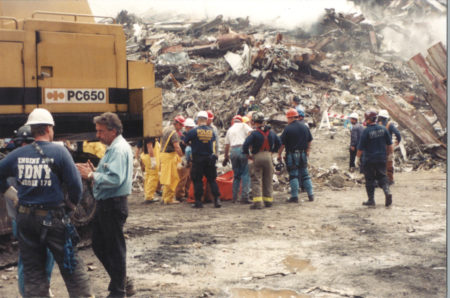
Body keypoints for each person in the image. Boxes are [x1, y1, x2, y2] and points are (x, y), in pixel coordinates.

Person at [0, 108, 92, 297]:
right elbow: (76, 186)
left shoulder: (18, 154)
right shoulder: (60, 152)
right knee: (70, 265)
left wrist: (12, 194)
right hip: (53, 219)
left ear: (32, 129)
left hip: (26, 219)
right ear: (49, 128)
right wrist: (70, 207)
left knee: (33, 271)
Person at [76, 112, 134, 297]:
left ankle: (119, 290)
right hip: (108, 203)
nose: (98, 136)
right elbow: (110, 173)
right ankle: (121, 282)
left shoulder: (117, 149)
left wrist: (92, 175)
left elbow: (116, 178)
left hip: (113, 204)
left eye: (101, 131)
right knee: (100, 244)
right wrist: (96, 171)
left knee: (114, 248)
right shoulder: (115, 147)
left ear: (113, 131)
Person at [1, 125, 55, 297]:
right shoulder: (15, 160)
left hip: (31, 217)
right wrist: (14, 195)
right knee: (31, 261)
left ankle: (41, 290)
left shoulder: (16, 159)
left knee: (39, 259)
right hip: (24, 218)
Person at [243, 112, 281, 209]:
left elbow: (245, 145)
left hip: (257, 156)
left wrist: (248, 155)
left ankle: (258, 203)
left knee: (256, 179)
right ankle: (268, 201)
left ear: (254, 122)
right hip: (268, 156)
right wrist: (273, 151)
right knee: (268, 179)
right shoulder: (271, 133)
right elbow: (279, 143)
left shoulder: (254, 133)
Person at [184, 111, 221, 209]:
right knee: (212, 180)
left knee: (197, 180)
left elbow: (185, 141)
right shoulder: (212, 131)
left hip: (198, 159)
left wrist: (193, 144)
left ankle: (198, 202)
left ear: (198, 120)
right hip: (210, 159)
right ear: (206, 119)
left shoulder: (193, 131)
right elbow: (214, 143)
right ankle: (217, 200)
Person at [356, 110, 393, 207]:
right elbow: (390, 144)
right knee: (382, 176)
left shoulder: (366, 131)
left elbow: (360, 148)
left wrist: (357, 158)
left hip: (369, 160)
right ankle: (387, 191)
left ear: (368, 119)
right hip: (381, 158)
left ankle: (371, 200)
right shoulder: (383, 129)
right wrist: (389, 155)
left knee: (370, 179)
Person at [278, 108, 314, 203]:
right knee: (305, 175)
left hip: (292, 154)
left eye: (287, 118)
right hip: (303, 154)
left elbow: (282, 144)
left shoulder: (288, 129)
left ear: (290, 118)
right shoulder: (304, 127)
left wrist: (279, 154)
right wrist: (308, 150)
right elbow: (310, 140)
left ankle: (294, 196)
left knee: (293, 175)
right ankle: (311, 195)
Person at [223, 115, 253, 204]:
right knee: (245, 174)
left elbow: (226, 145)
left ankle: (234, 198)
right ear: (241, 121)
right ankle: (245, 197)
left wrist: (226, 157)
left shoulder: (230, 129)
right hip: (242, 149)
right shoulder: (244, 125)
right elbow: (251, 133)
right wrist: (250, 147)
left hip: (233, 151)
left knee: (236, 175)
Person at [159, 116, 184, 204]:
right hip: (169, 156)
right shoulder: (174, 133)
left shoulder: (166, 129)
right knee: (172, 178)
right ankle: (168, 199)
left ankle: (164, 197)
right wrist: (182, 157)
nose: (181, 128)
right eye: (181, 125)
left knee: (166, 177)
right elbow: (177, 147)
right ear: (177, 124)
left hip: (163, 155)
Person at [377, 109, 401, 185]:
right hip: (388, 147)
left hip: (379, 147)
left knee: (380, 164)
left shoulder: (377, 124)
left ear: (380, 117)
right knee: (389, 163)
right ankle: (390, 180)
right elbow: (397, 133)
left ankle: (380, 180)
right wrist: (398, 141)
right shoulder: (390, 124)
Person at [176, 118, 196, 201]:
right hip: (183, 157)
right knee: (183, 177)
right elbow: (183, 148)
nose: (191, 129)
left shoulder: (190, 135)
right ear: (186, 127)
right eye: (190, 128)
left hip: (189, 158)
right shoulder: (182, 136)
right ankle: (179, 195)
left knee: (189, 177)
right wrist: (184, 159)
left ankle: (187, 192)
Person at [140, 137, 161, 203]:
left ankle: (147, 195)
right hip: (150, 158)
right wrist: (153, 160)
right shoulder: (151, 137)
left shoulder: (147, 135)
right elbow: (150, 147)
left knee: (148, 176)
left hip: (147, 157)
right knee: (153, 176)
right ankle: (149, 197)